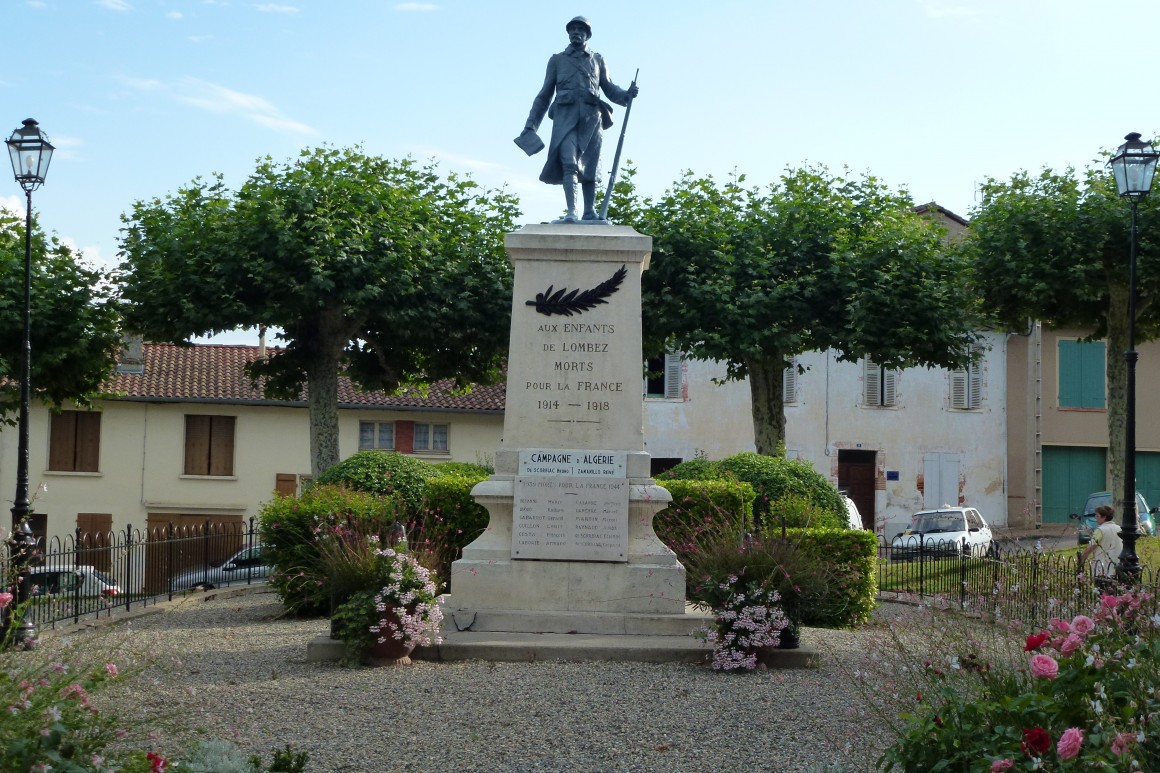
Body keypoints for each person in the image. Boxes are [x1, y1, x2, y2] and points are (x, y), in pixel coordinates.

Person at [519, 16, 638, 223]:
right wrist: (531, 126)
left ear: (587, 35)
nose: (576, 32)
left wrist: (626, 95)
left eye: (580, 29)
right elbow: (544, 95)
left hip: (592, 119)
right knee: (569, 162)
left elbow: (609, 88)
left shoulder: (598, 59)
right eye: (572, 29)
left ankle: (589, 211)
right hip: (565, 117)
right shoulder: (557, 60)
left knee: (590, 165)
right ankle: (572, 212)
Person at [1081, 504, 1123, 579]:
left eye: (1097, 516)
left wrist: (1082, 560)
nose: (1096, 518)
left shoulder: (1100, 530)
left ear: (1104, 517)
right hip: (1118, 564)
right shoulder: (1119, 529)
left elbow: (1091, 548)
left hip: (1103, 566)